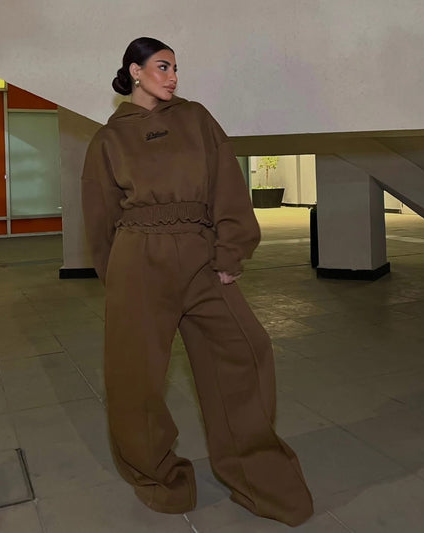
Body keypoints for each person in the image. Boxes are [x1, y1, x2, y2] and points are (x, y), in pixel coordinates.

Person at [81, 37, 313, 527]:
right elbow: (100, 218)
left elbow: (227, 184)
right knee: (134, 379)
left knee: (246, 351)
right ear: (135, 71)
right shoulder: (108, 139)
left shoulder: (197, 118)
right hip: (138, 261)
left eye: (175, 68)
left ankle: (258, 477)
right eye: (162, 67)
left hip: (202, 256)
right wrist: (118, 278)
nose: (173, 77)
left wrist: (231, 250)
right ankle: (157, 477)